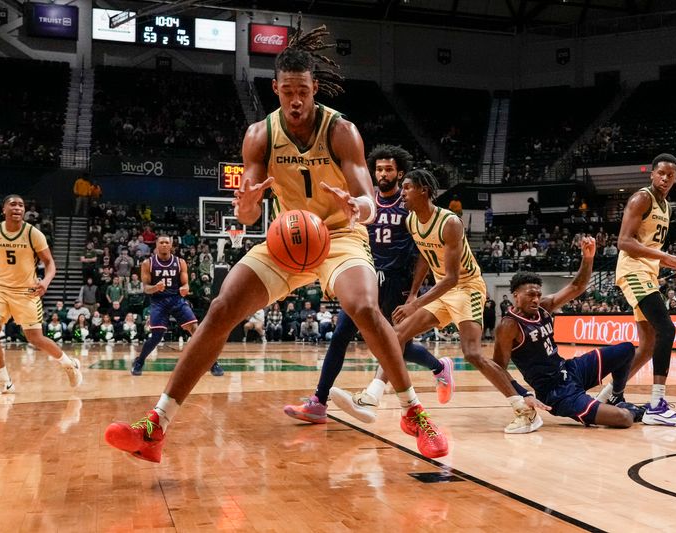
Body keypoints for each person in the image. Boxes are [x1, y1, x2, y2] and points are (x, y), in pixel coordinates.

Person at [105, 24, 448, 462]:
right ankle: (156, 425)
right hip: (288, 238)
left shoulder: (341, 130)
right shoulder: (259, 135)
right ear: (276, 90)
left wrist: (357, 207)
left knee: (364, 307)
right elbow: (247, 213)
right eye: (287, 92)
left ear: (314, 87)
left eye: (302, 91)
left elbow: (368, 200)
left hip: (340, 234)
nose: (296, 100)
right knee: (222, 308)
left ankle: (411, 412)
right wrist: (246, 205)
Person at [330, 170, 539, 433]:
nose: (402, 193)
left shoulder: (449, 222)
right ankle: (372, 396)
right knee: (396, 335)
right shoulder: (412, 222)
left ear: (423, 190)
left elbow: (452, 279)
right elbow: (425, 257)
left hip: (466, 287)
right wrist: (415, 293)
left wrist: (414, 305)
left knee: (472, 353)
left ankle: (524, 409)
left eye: (406, 188)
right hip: (441, 290)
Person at [284, 144, 451, 423]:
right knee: (340, 336)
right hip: (365, 276)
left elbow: (423, 252)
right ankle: (318, 401)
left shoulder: (409, 204)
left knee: (393, 345)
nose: (383, 174)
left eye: (389, 169)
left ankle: (437, 367)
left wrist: (413, 295)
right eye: (379, 169)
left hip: (397, 282)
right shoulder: (365, 201)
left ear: (400, 173)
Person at [493, 244, 646, 430]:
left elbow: (577, 286)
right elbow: (497, 368)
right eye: (530, 295)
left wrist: (588, 258)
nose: (535, 299)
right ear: (516, 295)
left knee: (627, 349)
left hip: (571, 370)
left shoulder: (544, 307)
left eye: (538, 294)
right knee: (624, 419)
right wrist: (524, 394)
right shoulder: (509, 325)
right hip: (556, 393)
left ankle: (616, 396)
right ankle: (630, 410)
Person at [596, 154, 676, 426]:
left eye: (670, 175)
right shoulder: (641, 199)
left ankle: (605, 396)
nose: (665, 178)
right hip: (632, 271)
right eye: (661, 173)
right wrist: (668, 259)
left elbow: (650, 248)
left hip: (647, 273)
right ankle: (657, 404)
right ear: (652, 174)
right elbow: (624, 242)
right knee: (667, 329)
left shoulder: (666, 206)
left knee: (648, 344)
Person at [0, 194, 82, 394]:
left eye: (21, 205)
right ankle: (4, 382)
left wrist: (45, 282)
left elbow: (49, 263)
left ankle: (69, 364)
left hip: (26, 292)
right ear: (3, 209)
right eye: (12, 204)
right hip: (1, 289)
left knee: (35, 338)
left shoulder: (33, 234)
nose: (17, 208)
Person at [129, 235, 223, 377]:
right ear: (157, 245)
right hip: (158, 301)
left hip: (176, 300)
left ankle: (212, 363)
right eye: (162, 242)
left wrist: (185, 288)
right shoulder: (148, 263)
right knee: (156, 336)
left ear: (171, 245)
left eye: (167, 242)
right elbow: (146, 288)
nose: (165, 245)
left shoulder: (180, 262)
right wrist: (155, 288)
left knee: (196, 331)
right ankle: (139, 361)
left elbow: (185, 284)